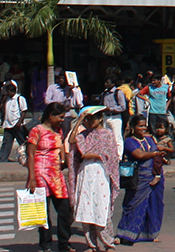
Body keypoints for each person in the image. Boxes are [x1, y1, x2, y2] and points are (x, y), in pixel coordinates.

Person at [26, 102, 74, 252]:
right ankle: (46, 244)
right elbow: (30, 154)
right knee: (43, 212)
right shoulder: (37, 130)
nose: (62, 120)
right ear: (50, 115)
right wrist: (32, 178)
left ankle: (64, 243)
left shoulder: (58, 131)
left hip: (56, 174)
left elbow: (62, 152)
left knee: (65, 211)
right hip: (40, 173)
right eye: (60, 117)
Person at [68, 108, 117, 252]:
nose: (89, 122)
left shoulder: (108, 135)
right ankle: (91, 244)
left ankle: (108, 243)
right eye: (87, 120)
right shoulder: (84, 134)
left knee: (102, 208)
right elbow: (72, 140)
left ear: (100, 118)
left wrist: (95, 155)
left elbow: (112, 156)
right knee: (86, 207)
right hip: (86, 173)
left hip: (101, 173)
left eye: (92, 119)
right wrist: (79, 121)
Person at [115, 115, 168, 244]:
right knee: (132, 204)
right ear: (133, 127)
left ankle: (148, 233)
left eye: (144, 125)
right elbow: (139, 155)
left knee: (153, 205)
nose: (143, 128)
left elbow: (159, 156)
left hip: (154, 176)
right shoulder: (129, 141)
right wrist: (156, 153)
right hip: (139, 178)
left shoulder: (149, 140)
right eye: (140, 126)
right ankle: (124, 234)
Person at [0, 82, 30, 164]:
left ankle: (29, 156)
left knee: (23, 142)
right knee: (6, 143)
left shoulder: (20, 99)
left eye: (8, 92)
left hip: (17, 125)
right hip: (8, 124)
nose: (7, 93)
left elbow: (24, 111)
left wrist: (19, 122)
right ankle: (2, 159)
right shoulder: (7, 100)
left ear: (12, 91)